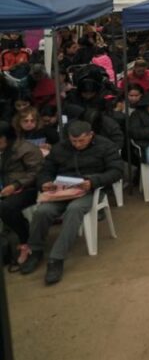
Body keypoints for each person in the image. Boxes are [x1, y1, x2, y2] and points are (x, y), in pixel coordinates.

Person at [21, 121, 123, 285]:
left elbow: (117, 171)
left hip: (90, 190)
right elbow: (46, 170)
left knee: (74, 210)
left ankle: (56, 258)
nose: (77, 144)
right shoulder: (60, 148)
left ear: (91, 135)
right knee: (42, 212)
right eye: (73, 141)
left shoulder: (105, 146)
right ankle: (35, 250)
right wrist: (45, 183)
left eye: (81, 140)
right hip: (63, 190)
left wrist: (93, 181)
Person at [0, 121, 44, 267]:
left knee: (6, 207)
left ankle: (26, 240)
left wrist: (15, 185)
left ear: (6, 138)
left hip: (28, 189)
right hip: (5, 187)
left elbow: (36, 172)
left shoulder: (27, 149)